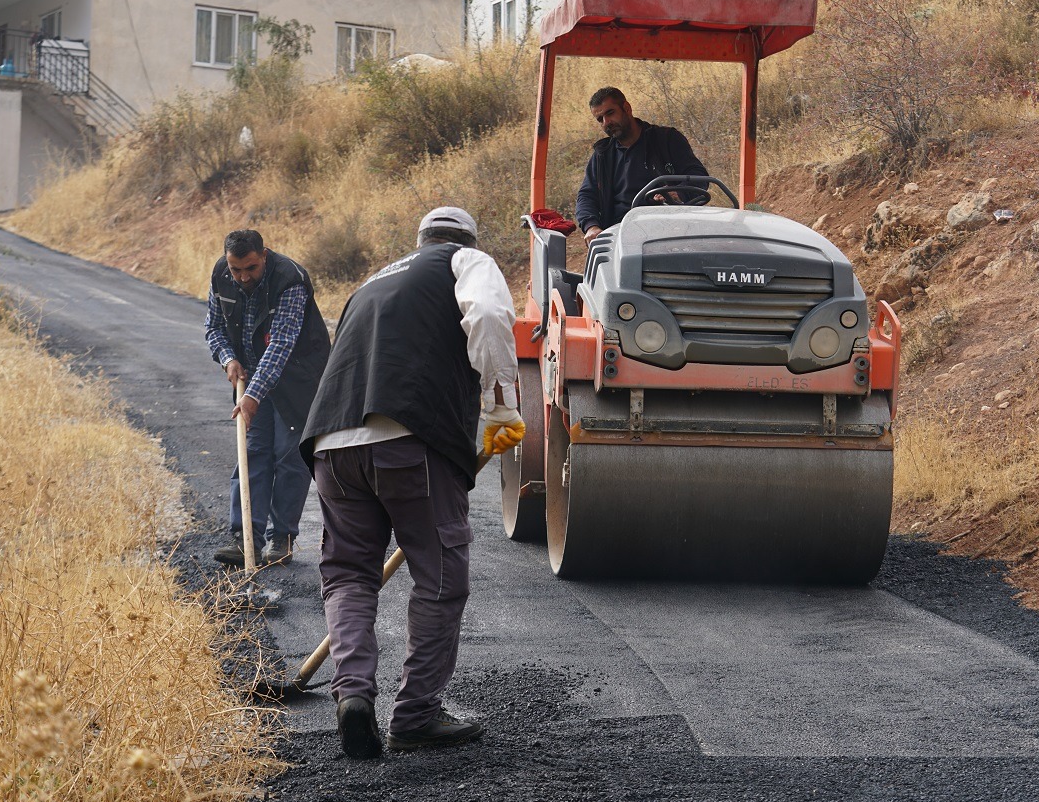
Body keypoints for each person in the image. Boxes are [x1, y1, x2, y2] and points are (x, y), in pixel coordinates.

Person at [300, 206, 524, 759]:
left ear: (418, 240)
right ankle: (416, 714)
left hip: (332, 444)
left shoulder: (374, 279)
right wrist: (500, 406)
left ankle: (353, 695)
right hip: (409, 442)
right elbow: (491, 316)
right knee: (441, 577)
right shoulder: (467, 261)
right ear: (466, 240)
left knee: (350, 575)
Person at [204, 230, 330, 567]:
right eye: (236, 270)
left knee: (289, 457)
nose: (243, 277)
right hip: (249, 379)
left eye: (251, 268)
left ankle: (282, 538)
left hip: (297, 377)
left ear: (265, 255)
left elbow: (282, 345)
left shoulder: (291, 279)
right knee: (252, 452)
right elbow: (213, 328)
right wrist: (228, 358)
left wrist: (254, 395)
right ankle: (245, 537)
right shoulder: (221, 274)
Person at [575, 86, 708, 240]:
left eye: (610, 113)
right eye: (600, 119)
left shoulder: (667, 139)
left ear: (627, 108)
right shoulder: (602, 155)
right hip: (619, 233)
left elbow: (698, 176)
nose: (606, 122)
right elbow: (586, 195)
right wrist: (591, 226)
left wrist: (679, 192)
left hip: (670, 227)